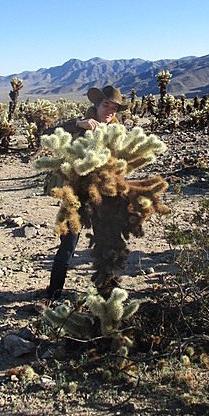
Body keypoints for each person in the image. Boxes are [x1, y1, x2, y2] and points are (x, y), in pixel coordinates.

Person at [40, 85, 129, 303]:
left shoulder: (117, 133)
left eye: (114, 107)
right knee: (67, 248)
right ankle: (52, 295)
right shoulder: (79, 127)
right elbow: (48, 135)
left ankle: (106, 296)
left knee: (105, 247)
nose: (109, 110)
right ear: (97, 105)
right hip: (77, 197)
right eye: (106, 105)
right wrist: (78, 124)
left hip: (103, 198)